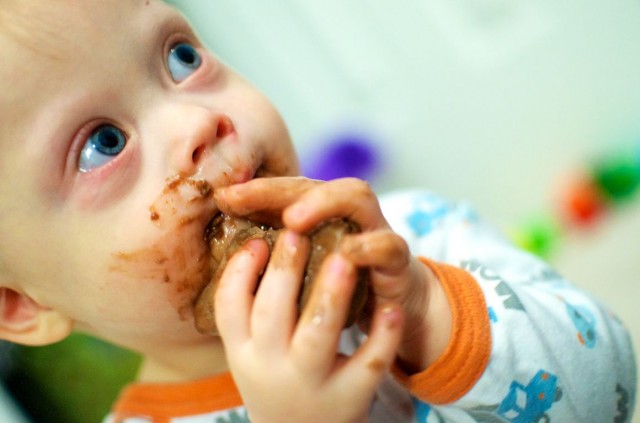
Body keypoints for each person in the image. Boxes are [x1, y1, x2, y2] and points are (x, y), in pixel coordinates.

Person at [0, 1, 634, 422]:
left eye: (179, 57)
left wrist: (426, 311)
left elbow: (610, 386)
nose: (199, 121)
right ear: (22, 307)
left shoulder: (415, 237)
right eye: (101, 144)